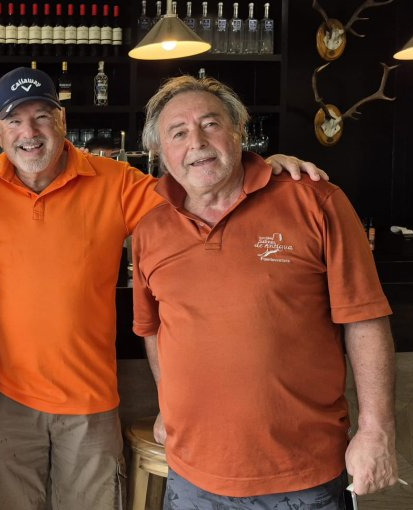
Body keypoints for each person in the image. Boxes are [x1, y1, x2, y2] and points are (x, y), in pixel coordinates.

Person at [0, 67, 328, 510]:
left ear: (62, 120)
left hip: (90, 402)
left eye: (42, 116)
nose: (30, 133)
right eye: (15, 120)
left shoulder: (116, 180)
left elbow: (200, 194)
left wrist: (262, 169)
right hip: (6, 399)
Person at [132, 75, 398, 509]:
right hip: (192, 474)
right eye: (178, 133)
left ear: (239, 130)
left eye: (210, 124)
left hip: (302, 473)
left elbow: (365, 318)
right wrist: (168, 403)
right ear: (160, 152)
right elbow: (154, 328)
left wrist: (377, 430)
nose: (197, 142)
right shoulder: (150, 230)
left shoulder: (314, 201)